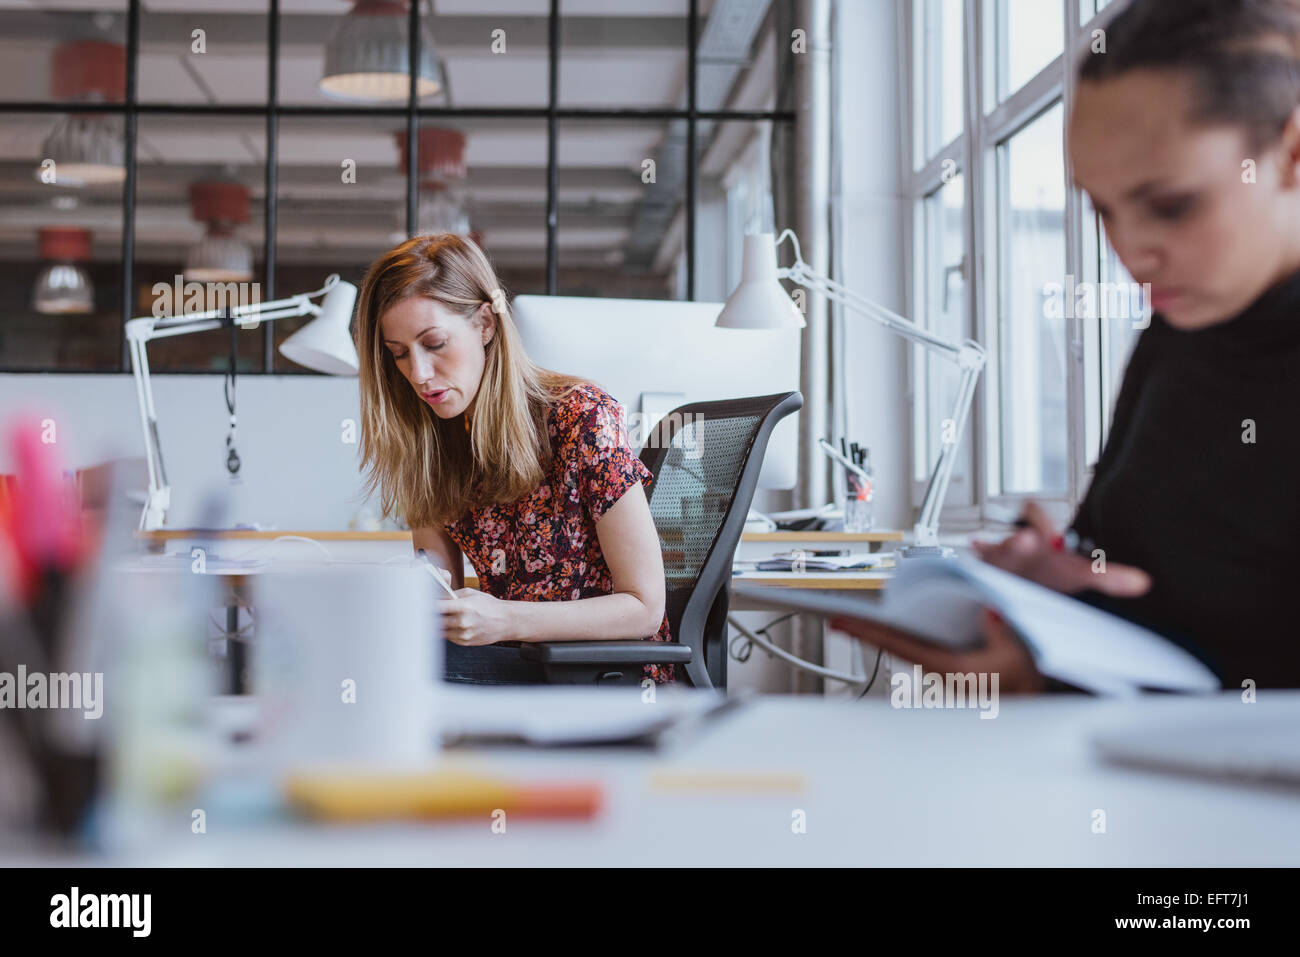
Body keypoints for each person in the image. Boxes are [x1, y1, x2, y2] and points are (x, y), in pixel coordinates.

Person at [832, 0, 1300, 691]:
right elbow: (1143, 584)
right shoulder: (1181, 329)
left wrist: (1049, 672)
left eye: (1171, 204)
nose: (1130, 252)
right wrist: (1050, 575)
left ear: (1290, 155)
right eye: (1101, 208)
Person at [354, 234, 673, 684]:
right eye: (400, 354)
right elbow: (437, 592)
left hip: (604, 671)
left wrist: (503, 619)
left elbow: (644, 609)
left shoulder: (581, 415)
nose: (418, 374)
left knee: (395, 671)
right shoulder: (432, 441)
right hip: (515, 662)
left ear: (485, 323)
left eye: (435, 343)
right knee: (364, 651)